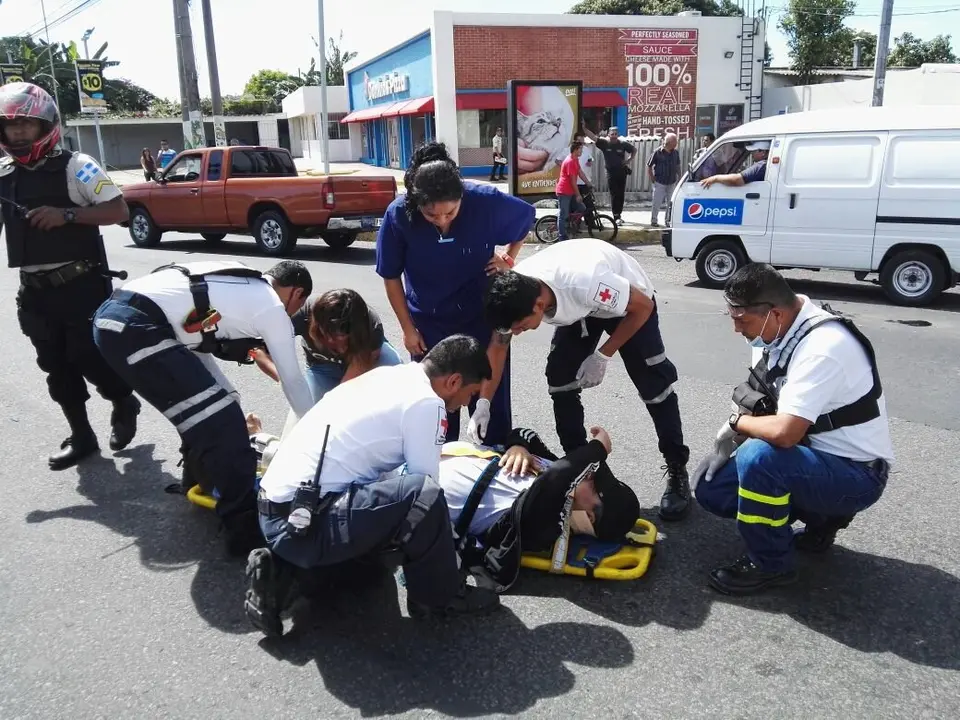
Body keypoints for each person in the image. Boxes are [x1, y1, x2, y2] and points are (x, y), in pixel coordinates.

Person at [245, 335, 500, 637]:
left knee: (374, 569)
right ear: (454, 381)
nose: (467, 403)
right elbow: (426, 491)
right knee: (424, 496)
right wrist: (453, 551)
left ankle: (279, 574)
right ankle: (438, 598)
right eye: (471, 394)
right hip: (305, 521)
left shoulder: (391, 375)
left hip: (277, 509)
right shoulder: (427, 404)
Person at [693, 264, 893, 595]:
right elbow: (762, 395)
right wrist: (732, 441)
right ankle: (821, 519)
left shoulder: (823, 347)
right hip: (814, 458)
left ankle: (771, 563)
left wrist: (736, 425)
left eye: (741, 320)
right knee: (711, 489)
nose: (735, 328)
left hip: (857, 475)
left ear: (774, 314)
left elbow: (785, 432)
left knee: (759, 458)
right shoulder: (780, 332)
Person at [92, 259, 314, 556]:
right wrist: (317, 432)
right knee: (223, 423)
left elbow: (194, 347)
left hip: (114, 319)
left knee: (210, 409)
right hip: (137, 328)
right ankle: (244, 532)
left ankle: (195, 479)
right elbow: (293, 380)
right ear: (297, 294)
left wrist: (229, 395)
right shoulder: (272, 307)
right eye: (298, 307)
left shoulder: (235, 282)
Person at [483, 238, 692, 521]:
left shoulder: (585, 283)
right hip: (582, 309)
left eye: (520, 326)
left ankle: (677, 466)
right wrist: (484, 402)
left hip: (629, 302)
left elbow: (641, 308)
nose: (517, 332)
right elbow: (498, 346)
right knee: (559, 378)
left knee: (654, 385)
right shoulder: (517, 292)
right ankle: (582, 465)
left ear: (539, 304)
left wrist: (604, 355)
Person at [0, 81, 141, 471]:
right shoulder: (3, 176)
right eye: (11, 127)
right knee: (55, 366)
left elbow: (118, 211)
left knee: (89, 357)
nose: (18, 133)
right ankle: (81, 436)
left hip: (81, 285)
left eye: (27, 125)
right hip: (35, 291)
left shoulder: (78, 165)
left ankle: (122, 399)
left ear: (47, 126)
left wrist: (66, 215)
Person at [376, 141, 535, 448]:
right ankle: (439, 466)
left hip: (481, 316)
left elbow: (523, 223)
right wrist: (408, 330)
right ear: (416, 203)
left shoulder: (485, 201)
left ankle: (492, 463)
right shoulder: (398, 215)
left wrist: (508, 258)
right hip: (428, 325)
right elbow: (390, 275)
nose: (443, 221)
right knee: (435, 411)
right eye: (431, 215)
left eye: (450, 212)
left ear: (462, 196)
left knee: (489, 409)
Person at [438, 424, 640, 593]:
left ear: (589, 516)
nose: (588, 474)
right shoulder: (567, 482)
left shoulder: (547, 524)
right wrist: (518, 446)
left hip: (428, 494)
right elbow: (526, 433)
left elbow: (559, 475)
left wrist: (598, 449)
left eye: (594, 484)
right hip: (439, 454)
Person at [251, 288, 403, 406]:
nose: (334, 343)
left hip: (365, 361)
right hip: (322, 367)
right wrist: (285, 378)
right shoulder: (301, 314)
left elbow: (347, 388)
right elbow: (256, 348)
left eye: (343, 338)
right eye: (328, 335)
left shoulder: (370, 326)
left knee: (391, 387)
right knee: (310, 412)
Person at [582, 124, 634, 225]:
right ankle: (616, 216)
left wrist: (628, 161)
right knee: (614, 194)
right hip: (611, 173)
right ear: (608, 134)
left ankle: (619, 214)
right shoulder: (604, 143)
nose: (614, 135)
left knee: (621, 194)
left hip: (622, 172)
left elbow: (634, 150)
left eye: (616, 134)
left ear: (618, 135)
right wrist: (584, 128)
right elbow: (593, 137)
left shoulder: (623, 144)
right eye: (612, 134)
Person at [554, 140, 592, 242]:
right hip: (564, 191)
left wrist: (588, 183)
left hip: (570, 191)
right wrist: (578, 195)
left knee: (582, 208)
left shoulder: (575, 159)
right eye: (580, 149)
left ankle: (570, 225)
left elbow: (580, 172)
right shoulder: (570, 161)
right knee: (563, 214)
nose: (581, 151)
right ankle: (562, 236)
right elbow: (572, 181)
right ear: (575, 150)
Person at [700, 140, 769, 187]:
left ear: (763, 153)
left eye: (754, 151)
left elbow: (737, 179)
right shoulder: (765, 165)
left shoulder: (762, 165)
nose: (752, 154)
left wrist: (715, 178)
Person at [646, 133, 681, 228]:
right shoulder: (657, 152)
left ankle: (668, 221)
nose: (676, 144)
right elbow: (649, 166)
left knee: (670, 203)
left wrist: (680, 177)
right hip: (660, 182)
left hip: (671, 182)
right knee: (656, 202)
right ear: (669, 142)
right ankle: (654, 220)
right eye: (675, 142)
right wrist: (652, 178)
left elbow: (678, 166)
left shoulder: (675, 153)